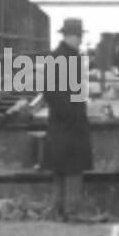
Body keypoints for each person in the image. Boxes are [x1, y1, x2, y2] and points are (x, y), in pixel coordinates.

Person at [46, 18, 95, 220]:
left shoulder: (61, 57)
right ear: (70, 36)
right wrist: (73, 113)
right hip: (69, 122)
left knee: (61, 167)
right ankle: (71, 211)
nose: (80, 40)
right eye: (78, 36)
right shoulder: (65, 58)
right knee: (73, 168)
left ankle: (58, 209)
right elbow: (53, 93)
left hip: (62, 122)